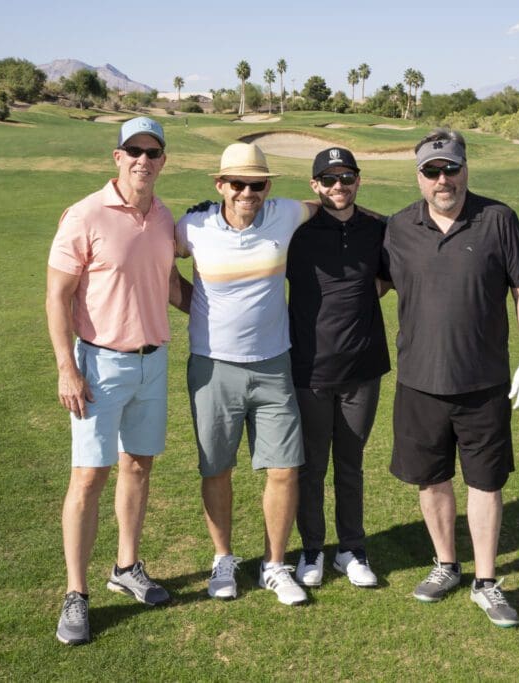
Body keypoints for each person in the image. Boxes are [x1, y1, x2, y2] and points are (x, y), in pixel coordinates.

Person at [380, 127, 519, 628]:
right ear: (418, 176)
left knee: (485, 483)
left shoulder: (498, 219)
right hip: (418, 380)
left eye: (450, 168)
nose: (442, 179)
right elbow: (370, 285)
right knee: (431, 479)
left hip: (483, 383)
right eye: (431, 171)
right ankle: (446, 565)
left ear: (465, 168)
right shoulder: (398, 227)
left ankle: (486, 582)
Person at [46, 117, 177, 645]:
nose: (144, 160)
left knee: (138, 465)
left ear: (163, 160)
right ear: (117, 157)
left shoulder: (163, 218)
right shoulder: (85, 214)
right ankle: (76, 593)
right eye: (134, 151)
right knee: (88, 477)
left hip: (153, 362)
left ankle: (126, 567)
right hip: (99, 366)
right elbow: (57, 296)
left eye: (153, 152)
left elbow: (170, 285)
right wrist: (66, 367)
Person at [175, 142, 318, 606]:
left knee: (284, 469)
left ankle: (274, 565)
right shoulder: (192, 226)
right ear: (220, 185)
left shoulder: (286, 213)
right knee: (217, 468)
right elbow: (154, 252)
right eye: (237, 184)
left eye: (257, 184)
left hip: (274, 365)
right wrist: (196, 307)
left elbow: (332, 204)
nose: (247, 193)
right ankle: (223, 559)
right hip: (213, 367)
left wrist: (395, 222)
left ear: (267, 187)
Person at [287, 147, 390, 589]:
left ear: (358, 180)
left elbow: (388, 278)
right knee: (311, 466)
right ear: (315, 184)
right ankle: (312, 549)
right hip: (309, 368)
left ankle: (351, 549)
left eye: (347, 177)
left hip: (363, 368)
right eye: (328, 180)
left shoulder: (377, 230)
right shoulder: (297, 232)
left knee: (351, 464)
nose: (338, 186)